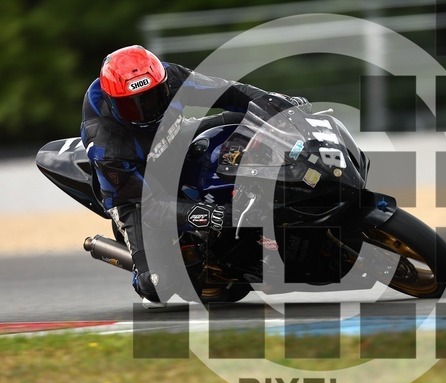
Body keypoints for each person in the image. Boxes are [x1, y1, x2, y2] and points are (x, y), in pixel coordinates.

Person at [81, 45, 307, 307]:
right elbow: (150, 205)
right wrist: (211, 215)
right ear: (112, 103)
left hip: (174, 138)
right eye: (132, 106)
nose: (146, 110)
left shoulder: (170, 76)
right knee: (156, 286)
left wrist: (277, 104)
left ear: (163, 85)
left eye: (152, 98)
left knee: (246, 115)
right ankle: (138, 265)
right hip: (136, 195)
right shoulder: (105, 144)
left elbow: (229, 92)